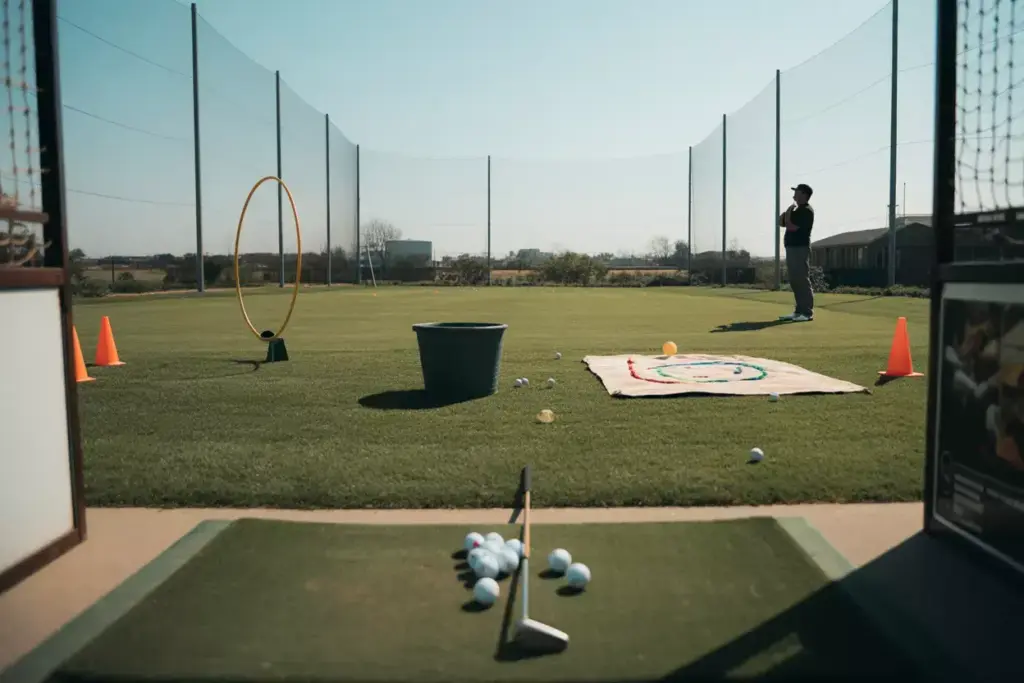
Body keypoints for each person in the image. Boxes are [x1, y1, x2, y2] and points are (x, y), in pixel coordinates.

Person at [778, 183, 815, 322]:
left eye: (797, 192)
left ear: (804, 194)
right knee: (794, 280)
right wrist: (787, 215)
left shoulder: (806, 211)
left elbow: (791, 227)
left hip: (800, 248)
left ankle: (806, 312)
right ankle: (799, 310)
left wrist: (788, 213)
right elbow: (780, 221)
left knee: (801, 279)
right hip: (792, 247)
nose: (794, 195)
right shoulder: (796, 210)